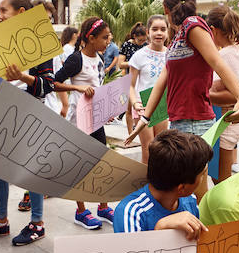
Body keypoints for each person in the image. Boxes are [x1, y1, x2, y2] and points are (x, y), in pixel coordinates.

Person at [126, 0, 239, 200]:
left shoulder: (194, 26)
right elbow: (164, 78)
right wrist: (145, 119)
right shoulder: (178, 36)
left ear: (165, 8)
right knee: (189, 188)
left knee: (193, 188)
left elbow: (217, 62)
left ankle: (204, 231)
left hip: (196, 121)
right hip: (181, 120)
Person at [0, 0, 54, 246]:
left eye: (4, 10)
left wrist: (24, 77)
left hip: (29, 112)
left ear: (20, 13)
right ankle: (1, 222)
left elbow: (48, 85)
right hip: (0, 110)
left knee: (32, 169)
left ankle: (37, 224)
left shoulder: (40, 41)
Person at [54, 17, 116, 229]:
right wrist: (78, 89)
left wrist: (107, 109)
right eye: (104, 37)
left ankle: (103, 207)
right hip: (78, 120)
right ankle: (81, 211)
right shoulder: (75, 59)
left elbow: (98, 88)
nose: (108, 41)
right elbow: (54, 83)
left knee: (103, 162)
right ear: (90, 38)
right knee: (79, 165)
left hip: (95, 118)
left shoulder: (99, 59)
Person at [206, 5, 239, 183]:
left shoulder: (227, 54)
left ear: (213, 30)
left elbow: (235, 94)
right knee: (219, 177)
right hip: (232, 122)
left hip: (228, 122)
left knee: (221, 180)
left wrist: (205, 95)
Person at [128, 15, 169, 163]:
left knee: (161, 149)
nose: (159, 33)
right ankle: (147, 184)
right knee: (148, 149)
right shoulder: (139, 56)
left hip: (162, 106)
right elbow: (130, 86)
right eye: (155, 29)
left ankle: (158, 183)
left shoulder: (171, 54)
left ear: (168, 32)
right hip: (142, 105)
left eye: (163, 29)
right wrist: (135, 104)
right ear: (147, 31)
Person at [44, 25, 77, 118]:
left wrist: (65, 104)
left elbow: (56, 78)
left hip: (49, 107)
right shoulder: (67, 49)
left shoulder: (54, 54)